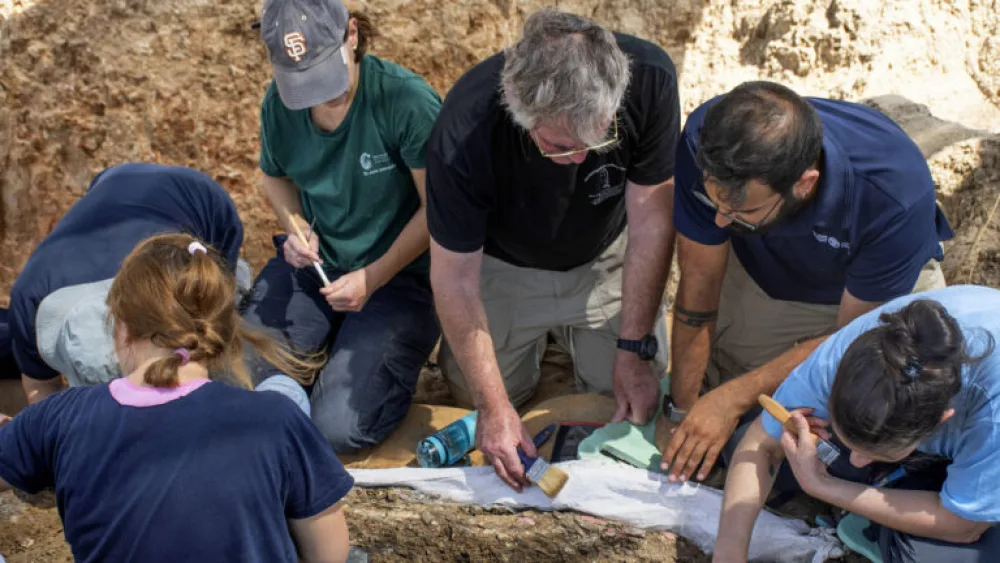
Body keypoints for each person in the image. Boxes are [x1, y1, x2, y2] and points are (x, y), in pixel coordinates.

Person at [427, 8, 680, 491]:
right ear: (516, 105)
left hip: (606, 255)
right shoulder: (464, 131)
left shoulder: (650, 78)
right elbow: (454, 277)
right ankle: (546, 346)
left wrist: (633, 347)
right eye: (562, 146)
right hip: (502, 267)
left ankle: (573, 344)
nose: (582, 158)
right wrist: (493, 407)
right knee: (478, 400)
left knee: (629, 398)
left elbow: (651, 218)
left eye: (600, 136)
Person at [658, 81, 952, 484]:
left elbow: (850, 337)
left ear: (805, 183)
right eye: (714, 202)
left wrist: (730, 399)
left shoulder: (891, 191)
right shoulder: (709, 140)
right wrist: (683, 410)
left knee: (872, 418)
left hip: (879, 292)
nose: (721, 222)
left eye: (741, 210)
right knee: (730, 378)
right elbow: (699, 279)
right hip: (773, 271)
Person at [0, 233, 353, 563]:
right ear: (225, 330)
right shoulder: (276, 420)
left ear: (120, 326)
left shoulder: (59, 418)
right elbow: (329, 553)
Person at [244, 0, 441, 452]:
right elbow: (275, 176)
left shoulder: (404, 100)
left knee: (339, 430)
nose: (318, 95)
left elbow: (440, 210)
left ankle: (330, 365)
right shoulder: (278, 104)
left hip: (399, 277)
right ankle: (313, 363)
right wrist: (295, 230)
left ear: (351, 35)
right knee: (234, 384)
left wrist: (373, 278)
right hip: (316, 267)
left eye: (324, 72)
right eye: (301, 82)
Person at [715, 285, 1000, 563]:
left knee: (930, 553)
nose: (857, 460)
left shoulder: (992, 412)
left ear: (942, 420)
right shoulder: (852, 357)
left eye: (877, 453)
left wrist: (823, 485)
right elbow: (760, 443)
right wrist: (728, 553)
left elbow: (965, 527)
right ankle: (887, 493)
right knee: (760, 452)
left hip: (985, 457)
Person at [7, 163, 250, 406]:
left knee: (214, 310)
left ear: (128, 335)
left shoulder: (167, 276)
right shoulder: (29, 301)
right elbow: (39, 387)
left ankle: (239, 275)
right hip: (112, 183)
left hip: (202, 196)